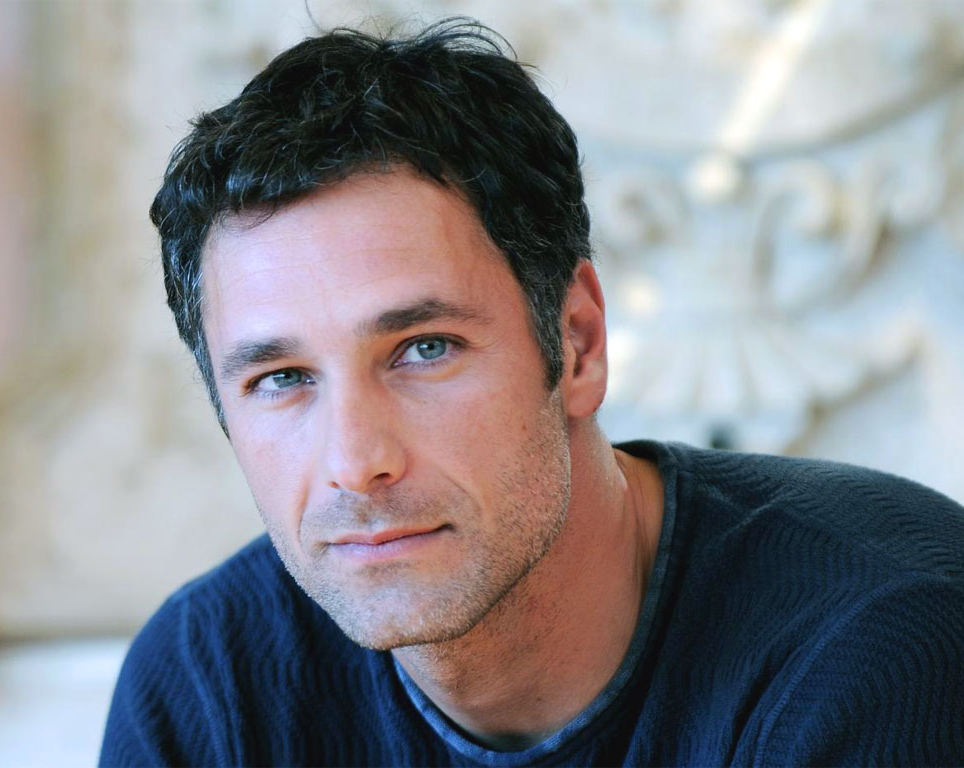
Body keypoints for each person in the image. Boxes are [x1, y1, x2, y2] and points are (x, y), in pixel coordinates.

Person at [100, 18, 964, 767]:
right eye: (281, 379)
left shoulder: (881, 645)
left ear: (577, 343)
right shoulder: (209, 686)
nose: (356, 464)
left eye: (424, 349)